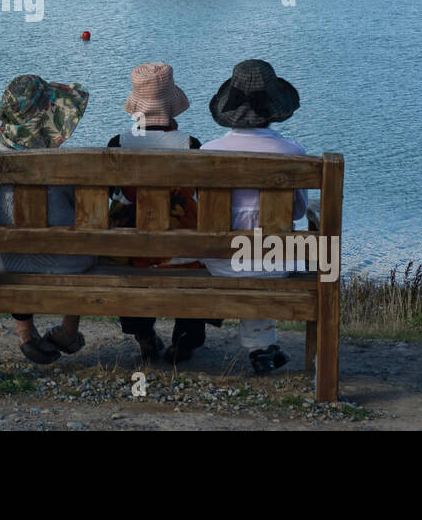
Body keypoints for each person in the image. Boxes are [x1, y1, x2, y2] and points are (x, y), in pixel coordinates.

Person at [0, 75, 95, 364]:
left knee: (16, 251)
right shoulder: (60, 161)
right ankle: (68, 330)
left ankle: (25, 331)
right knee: (84, 243)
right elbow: (82, 209)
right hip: (66, 261)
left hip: (2, 260)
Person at [200, 60, 309, 375]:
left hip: (220, 261)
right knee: (264, 254)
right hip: (274, 262)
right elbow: (300, 211)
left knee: (243, 254)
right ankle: (261, 346)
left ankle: (259, 346)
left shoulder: (208, 152)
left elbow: (201, 209)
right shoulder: (292, 153)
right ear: (274, 109)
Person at [106, 63, 216, 363]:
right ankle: (185, 341)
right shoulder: (191, 146)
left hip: (128, 253)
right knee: (196, 256)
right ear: (172, 108)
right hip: (184, 254)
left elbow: (109, 198)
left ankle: (143, 334)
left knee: (127, 248)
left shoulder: (117, 144)